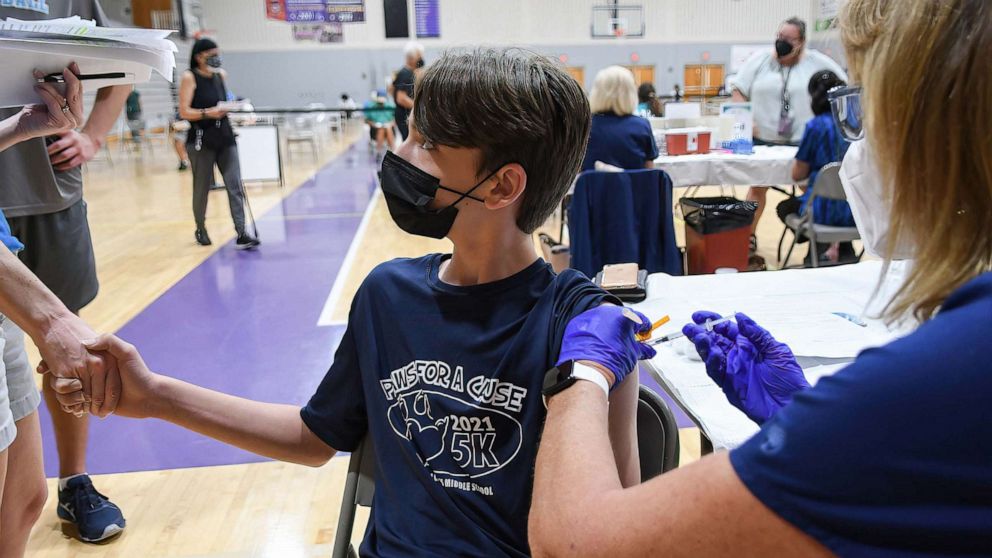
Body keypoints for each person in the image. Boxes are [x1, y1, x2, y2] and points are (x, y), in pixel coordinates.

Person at [61, 48, 643, 557]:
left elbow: (612, 530)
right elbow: (314, 438)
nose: (403, 152)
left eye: (429, 144)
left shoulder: (585, 327)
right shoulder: (388, 295)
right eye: (410, 131)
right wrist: (156, 395)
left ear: (501, 186)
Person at [529, 1, 992, 556]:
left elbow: (576, 542)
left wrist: (581, 373)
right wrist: (807, 423)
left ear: (939, 131)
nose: (859, 142)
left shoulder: (943, 373)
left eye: (865, 108)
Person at [0, 0, 131, 543]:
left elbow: (121, 70)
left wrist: (91, 136)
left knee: (22, 497)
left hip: (47, 197)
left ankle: (74, 480)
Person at [729, 16, 846, 255]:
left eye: (788, 39)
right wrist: (744, 119)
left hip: (802, 142)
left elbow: (842, 88)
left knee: (810, 188)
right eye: (779, 37)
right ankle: (747, 237)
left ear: (801, 42)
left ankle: (827, 240)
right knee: (757, 189)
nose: (780, 43)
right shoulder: (760, 61)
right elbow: (737, 89)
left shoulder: (818, 62)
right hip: (763, 141)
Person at [179, 38, 259, 249]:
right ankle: (201, 227)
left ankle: (242, 231)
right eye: (211, 54)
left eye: (217, 53)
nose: (216, 58)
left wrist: (229, 108)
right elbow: (184, 111)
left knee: (234, 185)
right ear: (199, 56)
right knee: (202, 187)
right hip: (201, 139)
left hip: (225, 135)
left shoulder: (220, 76)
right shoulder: (190, 77)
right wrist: (207, 112)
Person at [776, 70, 857, 265]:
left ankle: (819, 250)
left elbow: (798, 174)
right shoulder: (855, 127)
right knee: (836, 203)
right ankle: (844, 251)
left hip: (820, 213)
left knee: (786, 207)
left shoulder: (815, 127)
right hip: (855, 212)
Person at [581, 66, 658, 171]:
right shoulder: (641, 126)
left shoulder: (585, 127)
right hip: (633, 187)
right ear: (631, 93)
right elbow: (649, 175)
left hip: (595, 187)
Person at [392, 41, 424, 140]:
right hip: (404, 116)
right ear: (412, 58)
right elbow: (401, 98)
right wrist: (420, 108)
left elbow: (392, 89)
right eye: (419, 56)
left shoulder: (408, 73)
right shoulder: (406, 74)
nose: (421, 59)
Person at [362, 89, 396, 157]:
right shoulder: (371, 106)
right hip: (375, 129)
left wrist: (391, 123)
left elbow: (395, 119)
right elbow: (366, 120)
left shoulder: (391, 106)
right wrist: (373, 124)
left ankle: (379, 151)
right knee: (382, 129)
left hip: (389, 128)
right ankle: (393, 152)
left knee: (387, 128)